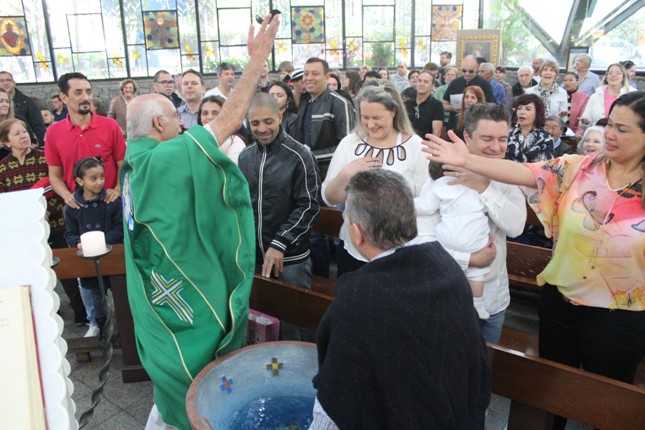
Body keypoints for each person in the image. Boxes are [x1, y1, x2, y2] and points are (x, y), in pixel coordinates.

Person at [424, 91, 645, 429]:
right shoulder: (578, 168)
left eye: (623, 129)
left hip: (621, 316)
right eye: (610, 125)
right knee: (549, 392)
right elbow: (522, 171)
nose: (610, 134)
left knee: (607, 403)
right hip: (561, 303)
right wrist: (466, 160)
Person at [121, 15, 279, 429]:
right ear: (158, 124)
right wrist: (256, 61)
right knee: (198, 363)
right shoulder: (162, 158)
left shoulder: (131, 162)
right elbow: (228, 121)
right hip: (178, 287)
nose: (183, 126)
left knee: (167, 382)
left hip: (151, 288)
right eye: (176, 120)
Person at [310, 169, 491, 430]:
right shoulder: (447, 268)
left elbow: (337, 393)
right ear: (411, 217)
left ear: (357, 232)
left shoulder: (359, 296)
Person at [45, 72, 126, 328]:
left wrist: (116, 188)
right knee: (86, 275)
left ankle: (127, 324)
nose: (85, 97)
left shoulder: (109, 126)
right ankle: (96, 323)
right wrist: (67, 195)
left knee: (120, 271)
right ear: (63, 97)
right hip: (80, 212)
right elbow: (54, 175)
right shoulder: (54, 132)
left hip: (110, 208)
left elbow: (124, 165)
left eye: (88, 92)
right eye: (78, 92)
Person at [322, 81, 428, 276]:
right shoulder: (350, 143)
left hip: (400, 252)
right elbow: (330, 198)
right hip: (355, 251)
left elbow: (426, 201)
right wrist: (346, 173)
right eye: (365, 117)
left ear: (394, 111)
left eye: (377, 117)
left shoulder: (415, 146)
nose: (370, 124)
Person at [238, 93, 319, 289]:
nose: (262, 129)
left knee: (293, 307)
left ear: (279, 117)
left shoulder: (300, 155)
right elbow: (242, 204)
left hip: (290, 257)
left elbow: (309, 206)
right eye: (255, 123)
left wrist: (280, 242)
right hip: (255, 256)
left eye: (268, 121)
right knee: (259, 308)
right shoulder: (245, 156)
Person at [416, 159, 492, 320]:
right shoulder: (474, 184)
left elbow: (427, 207)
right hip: (474, 237)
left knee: (445, 268)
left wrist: (409, 205)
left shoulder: (438, 186)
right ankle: (477, 305)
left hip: (448, 236)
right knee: (476, 273)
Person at [63, 157, 123, 337]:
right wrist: (78, 242)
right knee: (91, 293)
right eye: (93, 178)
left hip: (112, 255)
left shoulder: (112, 201)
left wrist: (100, 241)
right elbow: (70, 234)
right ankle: (96, 323)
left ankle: (125, 323)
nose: (100, 182)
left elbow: (119, 229)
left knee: (119, 291)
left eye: (102, 177)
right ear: (80, 181)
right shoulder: (73, 206)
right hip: (88, 259)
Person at [0, 118, 65, 245]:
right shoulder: (2, 167)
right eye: (17, 134)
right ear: (7, 142)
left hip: (53, 224)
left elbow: (60, 186)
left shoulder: (46, 158)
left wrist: (46, 211)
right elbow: (4, 201)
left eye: (24, 131)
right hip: (21, 229)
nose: (23, 136)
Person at [294, 57, 355, 159]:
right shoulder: (304, 100)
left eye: (315, 74)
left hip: (329, 166)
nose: (309, 78)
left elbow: (346, 146)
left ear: (326, 77)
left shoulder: (339, 103)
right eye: (306, 74)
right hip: (306, 165)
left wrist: (311, 156)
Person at [580, 63, 636, 129]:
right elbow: (584, 121)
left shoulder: (632, 95)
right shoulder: (595, 96)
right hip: (598, 133)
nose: (613, 75)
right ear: (606, 77)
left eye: (618, 73)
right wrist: (585, 122)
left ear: (623, 77)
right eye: (610, 73)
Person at [442, 55, 494, 126]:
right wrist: (453, 108)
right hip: (456, 123)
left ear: (476, 69)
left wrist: (475, 106)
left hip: (475, 123)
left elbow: (491, 106)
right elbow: (444, 104)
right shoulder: (455, 83)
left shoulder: (484, 84)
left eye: (470, 71)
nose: (467, 73)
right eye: (464, 70)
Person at [0, 71, 46, 147]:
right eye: (1, 81)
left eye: (8, 80)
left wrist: (33, 146)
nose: (5, 83)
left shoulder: (28, 102)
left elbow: (38, 127)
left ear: (14, 83)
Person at [197, 95, 246, 164]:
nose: (209, 117)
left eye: (215, 113)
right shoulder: (194, 139)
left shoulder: (235, 142)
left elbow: (232, 168)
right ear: (200, 118)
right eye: (205, 113)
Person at [506, 94, 554, 162]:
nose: (522, 112)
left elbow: (546, 165)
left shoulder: (546, 137)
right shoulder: (507, 133)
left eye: (528, 109)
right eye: (519, 108)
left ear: (537, 113)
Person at [405, 71, 444, 138]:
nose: (421, 84)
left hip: (427, 143)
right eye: (419, 81)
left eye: (426, 82)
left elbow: (436, 132)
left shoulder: (437, 105)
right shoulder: (406, 104)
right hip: (407, 141)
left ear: (432, 86)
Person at [562, 72, 590, 137]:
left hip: (574, 133)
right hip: (558, 130)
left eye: (570, 80)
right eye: (565, 80)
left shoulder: (584, 97)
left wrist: (579, 132)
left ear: (577, 82)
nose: (567, 82)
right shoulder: (559, 95)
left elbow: (583, 116)